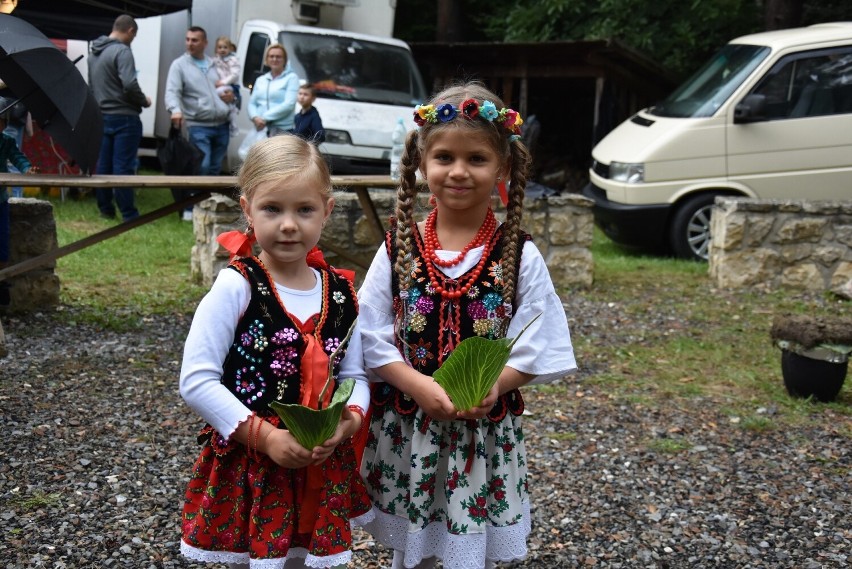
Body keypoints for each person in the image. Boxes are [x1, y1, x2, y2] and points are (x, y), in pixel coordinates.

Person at [356, 82, 577, 569]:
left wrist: (495, 386)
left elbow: (538, 340)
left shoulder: (519, 255)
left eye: (476, 158)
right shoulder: (399, 249)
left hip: (483, 433)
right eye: (444, 157)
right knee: (412, 549)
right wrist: (415, 385)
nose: (458, 171)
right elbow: (368, 334)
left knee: (466, 546)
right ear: (421, 162)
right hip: (411, 429)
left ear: (503, 167)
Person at [178, 134, 372, 568]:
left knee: (304, 556)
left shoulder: (341, 292)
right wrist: (265, 438)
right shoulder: (238, 285)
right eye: (272, 209)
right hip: (255, 462)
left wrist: (345, 426)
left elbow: (356, 376)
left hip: (319, 459)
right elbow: (196, 379)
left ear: (327, 210)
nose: (289, 224)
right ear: (247, 209)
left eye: (304, 209)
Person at [88, 14, 152, 222]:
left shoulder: (94, 53)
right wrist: (144, 101)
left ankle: (105, 209)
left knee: (103, 166)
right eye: (134, 36)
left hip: (101, 116)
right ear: (130, 31)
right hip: (125, 117)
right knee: (123, 167)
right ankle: (129, 214)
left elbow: (93, 87)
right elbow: (129, 84)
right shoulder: (122, 51)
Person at [165, 26, 233, 221]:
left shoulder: (216, 64)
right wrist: (175, 110)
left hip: (222, 123)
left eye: (194, 40)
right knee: (201, 166)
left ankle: (207, 207)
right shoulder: (180, 65)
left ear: (205, 43)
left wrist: (231, 96)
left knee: (214, 168)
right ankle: (190, 207)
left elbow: (229, 88)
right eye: (187, 39)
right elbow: (172, 91)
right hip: (199, 124)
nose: (189, 43)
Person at [0, 106, 37, 309]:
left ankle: (2, 280)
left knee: (3, 244)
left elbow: (17, 157)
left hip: (0, 201)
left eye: (2, 122)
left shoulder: (6, 141)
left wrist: (27, 168)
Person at [247, 44, 299, 137]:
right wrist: (255, 117)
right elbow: (252, 103)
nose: (274, 59)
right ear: (266, 59)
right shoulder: (261, 80)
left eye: (278, 57)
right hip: (261, 128)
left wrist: (264, 118)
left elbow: (289, 104)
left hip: (282, 130)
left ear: (285, 60)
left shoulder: (292, 78)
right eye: (271, 56)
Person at [212, 36, 242, 137]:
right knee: (228, 105)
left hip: (230, 85)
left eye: (225, 47)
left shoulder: (233, 60)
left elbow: (235, 75)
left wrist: (223, 82)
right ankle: (230, 119)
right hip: (222, 84)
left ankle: (233, 125)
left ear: (230, 48)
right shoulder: (216, 60)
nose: (222, 50)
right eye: (220, 47)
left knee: (217, 94)